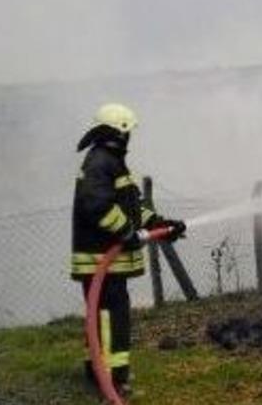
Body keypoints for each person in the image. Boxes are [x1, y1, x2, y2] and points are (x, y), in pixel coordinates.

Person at [70, 103, 185, 396]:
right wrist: (126, 233)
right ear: (119, 133)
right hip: (100, 260)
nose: (130, 137)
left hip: (107, 264)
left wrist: (161, 225)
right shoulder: (100, 163)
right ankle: (111, 382)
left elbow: (133, 207)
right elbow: (97, 206)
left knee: (103, 320)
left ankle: (100, 373)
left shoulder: (111, 162)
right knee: (110, 321)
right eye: (128, 132)